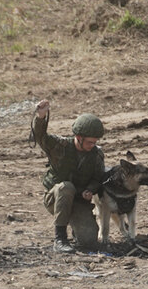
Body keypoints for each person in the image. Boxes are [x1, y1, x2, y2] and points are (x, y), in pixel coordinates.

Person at [30, 100, 106, 253]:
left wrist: (90, 190)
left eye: (95, 142)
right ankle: (60, 238)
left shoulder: (96, 154)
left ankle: (75, 229)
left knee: (89, 240)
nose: (93, 145)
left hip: (78, 202)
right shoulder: (61, 146)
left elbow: (98, 179)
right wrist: (40, 117)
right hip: (56, 198)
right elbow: (40, 137)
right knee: (66, 187)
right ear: (78, 137)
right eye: (90, 142)